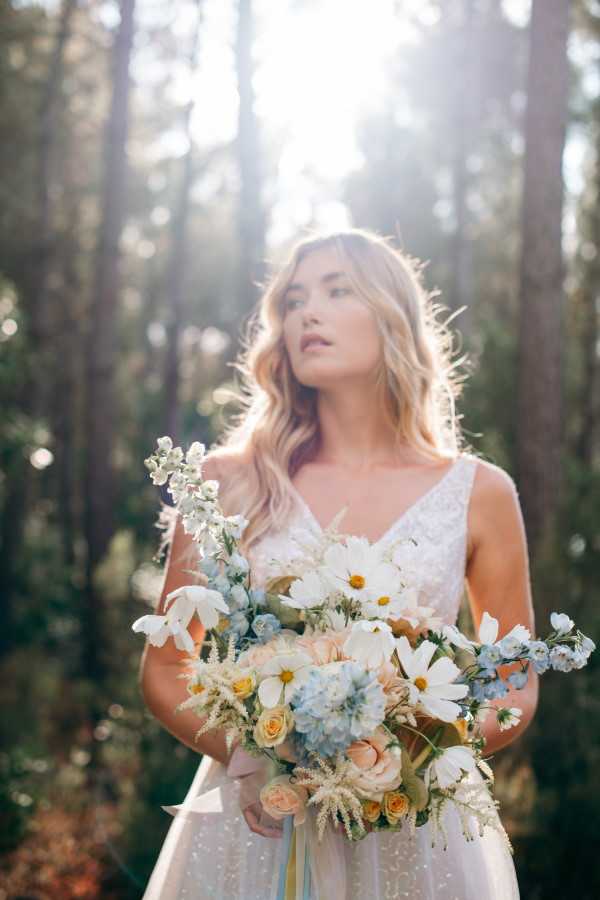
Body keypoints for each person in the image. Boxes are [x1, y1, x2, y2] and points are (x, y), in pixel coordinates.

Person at [139, 228, 537, 898]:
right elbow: (164, 668)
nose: (305, 314)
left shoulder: (480, 492)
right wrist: (254, 762)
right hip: (259, 827)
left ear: (392, 316)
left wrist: (414, 755)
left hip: (419, 835)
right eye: (293, 300)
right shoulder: (229, 482)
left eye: (336, 290)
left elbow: (517, 681)